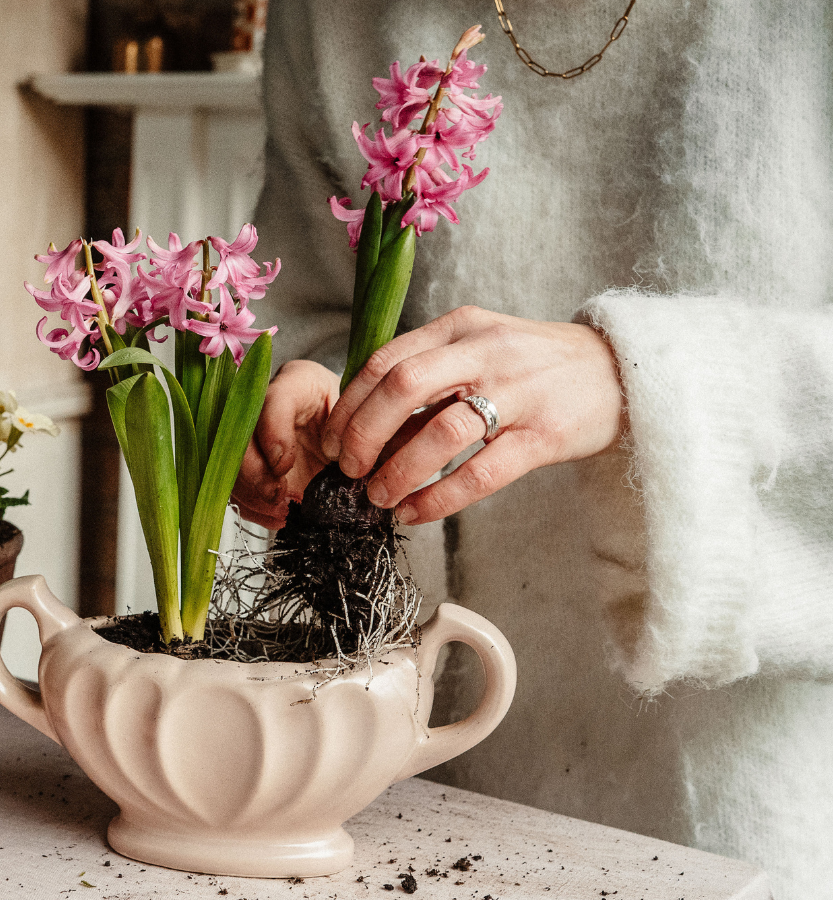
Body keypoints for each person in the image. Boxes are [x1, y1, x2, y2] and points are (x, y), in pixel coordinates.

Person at [234, 3, 833, 897]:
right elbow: (315, 305)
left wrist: (640, 382)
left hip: (733, 808)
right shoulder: (330, 15)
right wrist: (307, 403)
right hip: (405, 772)